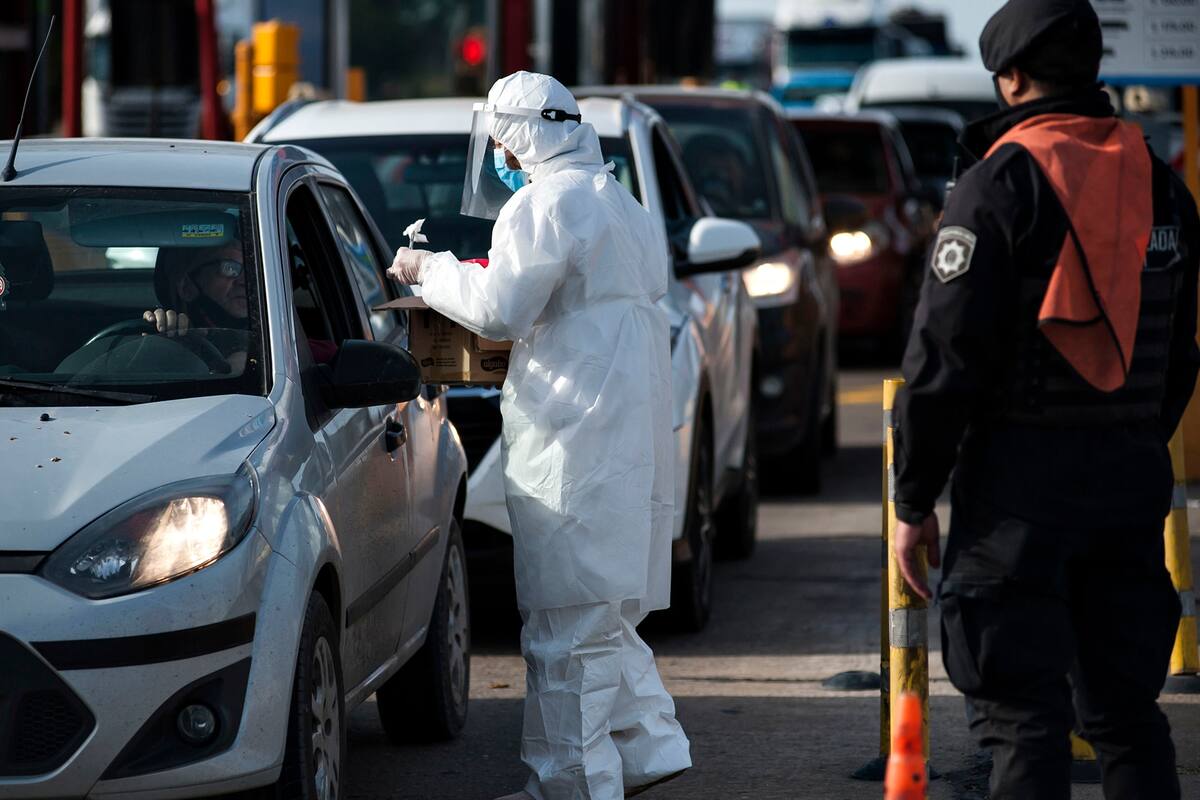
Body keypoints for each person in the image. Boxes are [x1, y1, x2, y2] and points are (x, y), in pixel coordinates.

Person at [891, 1, 1200, 798]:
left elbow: (944, 358)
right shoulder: (1165, 189)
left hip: (1017, 500)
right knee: (1129, 717)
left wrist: (914, 496)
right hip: (1131, 489)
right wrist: (1129, 438)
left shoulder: (997, 185)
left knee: (1023, 717)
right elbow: (1179, 359)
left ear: (1010, 77)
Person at [389, 72, 690, 800]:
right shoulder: (621, 204)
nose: (496, 155)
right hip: (627, 443)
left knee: (565, 633)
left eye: (500, 139)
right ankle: (649, 747)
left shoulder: (544, 205)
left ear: (521, 136)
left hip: (576, 445)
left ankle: (572, 787)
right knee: (608, 617)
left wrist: (429, 269)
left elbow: (498, 308)